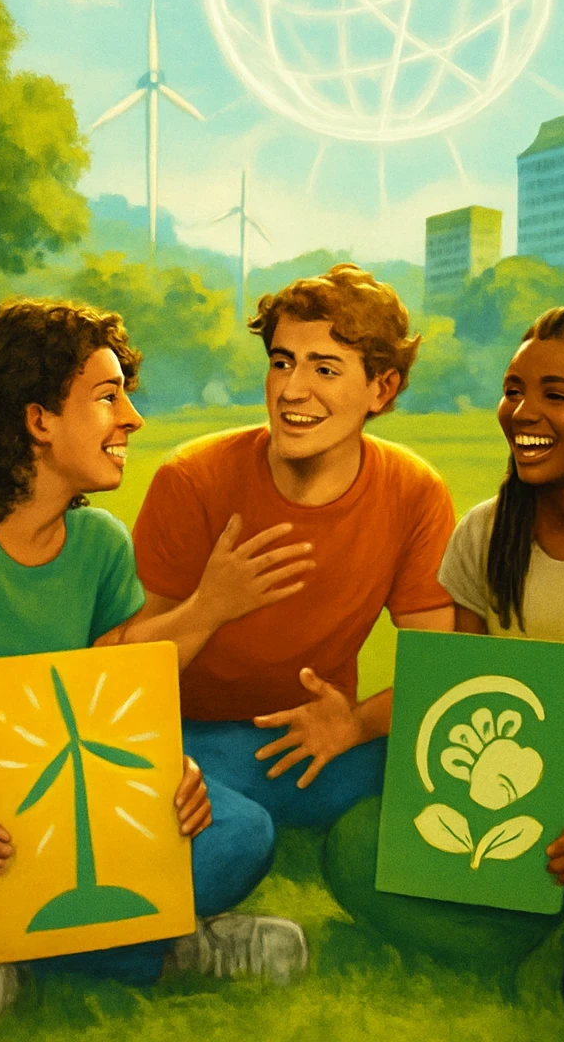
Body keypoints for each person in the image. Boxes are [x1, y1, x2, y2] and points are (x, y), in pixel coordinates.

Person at [0, 299, 308, 1022]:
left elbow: (120, 694)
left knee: (243, 834)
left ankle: (13, 954)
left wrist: (172, 768)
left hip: (64, 815)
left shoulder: (101, 545)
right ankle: (180, 953)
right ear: (38, 420)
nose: (131, 418)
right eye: (107, 397)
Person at [324, 305, 564, 971]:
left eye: (556, 395)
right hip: (512, 789)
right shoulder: (485, 532)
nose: (522, 412)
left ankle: (533, 928)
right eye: (514, 390)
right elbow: (465, 692)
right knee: (354, 841)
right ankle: (510, 938)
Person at [132, 263, 456, 830]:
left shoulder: (414, 491)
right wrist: (210, 606)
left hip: (319, 738)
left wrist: (355, 724)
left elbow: (439, 667)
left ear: (382, 388)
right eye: (282, 362)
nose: (290, 389)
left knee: (439, 762)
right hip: (190, 738)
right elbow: (121, 673)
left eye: (324, 369)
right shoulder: (193, 478)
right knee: (239, 838)